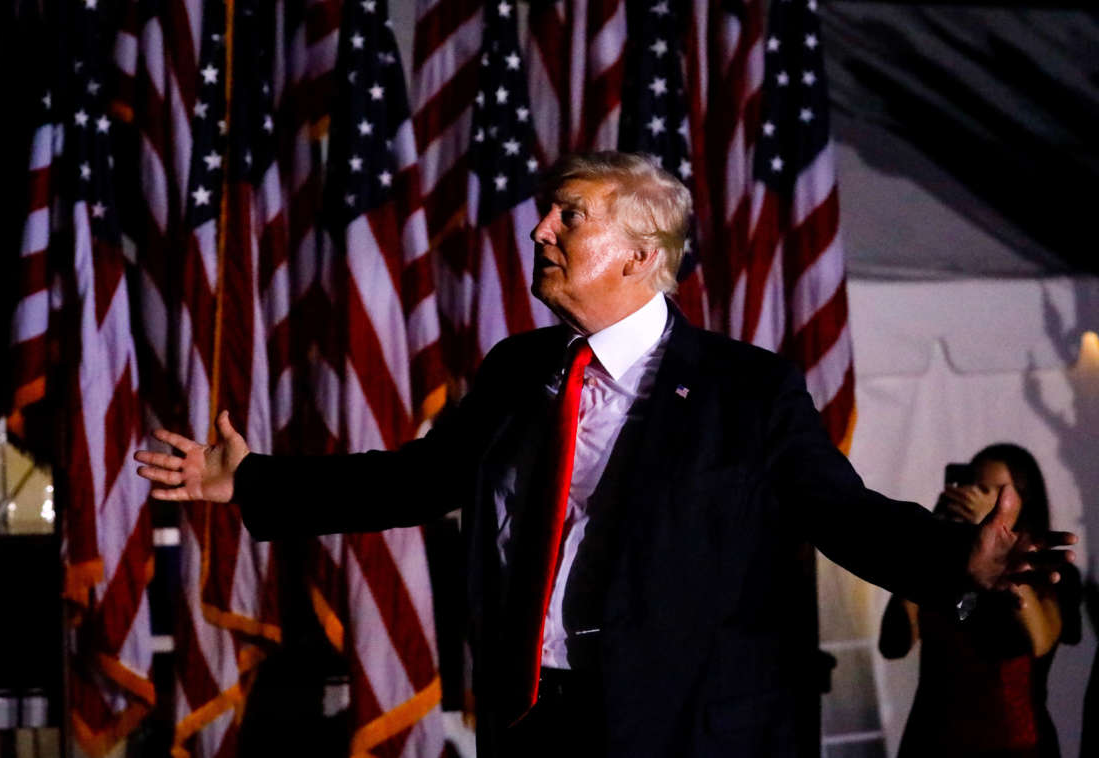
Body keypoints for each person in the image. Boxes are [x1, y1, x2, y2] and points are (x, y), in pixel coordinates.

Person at [135, 152, 1075, 758]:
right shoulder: (519, 371)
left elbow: (843, 513)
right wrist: (248, 481)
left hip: (684, 732)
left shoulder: (748, 391)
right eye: (548, 216)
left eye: (568, 216)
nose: (539, 230)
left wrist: (956, 560)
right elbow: (417, 477)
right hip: (539, 721)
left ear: (638, 255)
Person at [880, 444, 1082, 758]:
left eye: (987, 490)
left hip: (1013, 744)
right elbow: (893, 643)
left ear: (1021, 500)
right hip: (932, 741)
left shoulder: (1051, 570)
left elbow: (1040, 642)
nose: (972, 496)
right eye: (969, 485)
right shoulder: (946, 564)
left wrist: (1009, 561)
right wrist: (930, 541)